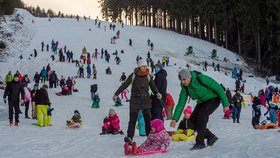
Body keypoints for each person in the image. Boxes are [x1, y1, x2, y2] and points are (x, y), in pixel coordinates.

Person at [170, 69, 229, 150]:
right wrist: (175, 119)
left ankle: (200, 143)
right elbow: (181, 103)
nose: (183, 82)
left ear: (189, 77)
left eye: (184, 79)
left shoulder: (201, 78)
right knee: (192, 121)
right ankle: (210, 136)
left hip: (213, 98)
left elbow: (218, 88)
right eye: (181, 80)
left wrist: (225, 104)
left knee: (202, 116)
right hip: (202, 101)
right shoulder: (185, 87)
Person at [113, 59, 161, 145]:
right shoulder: (133, 75)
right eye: (143, 66)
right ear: (139, 66)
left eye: (146, 66)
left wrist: (157, 93)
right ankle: (130, 137)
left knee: (147, 120)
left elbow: (153, 86)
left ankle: (150, 138)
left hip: (146, 101)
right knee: (132, 120)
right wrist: (116, 94)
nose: (145, 68)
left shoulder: (148, 76)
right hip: (135, 100)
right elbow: (125, 85)